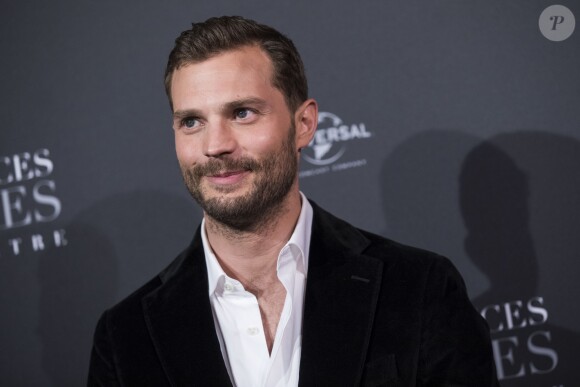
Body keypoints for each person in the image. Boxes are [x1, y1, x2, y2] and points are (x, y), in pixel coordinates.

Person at [88, 16, 498, 386]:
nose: (215, 145)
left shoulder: (418, 288)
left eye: (243, 113)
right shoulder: (125, 338)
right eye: (192, 121)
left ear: (303, 124)